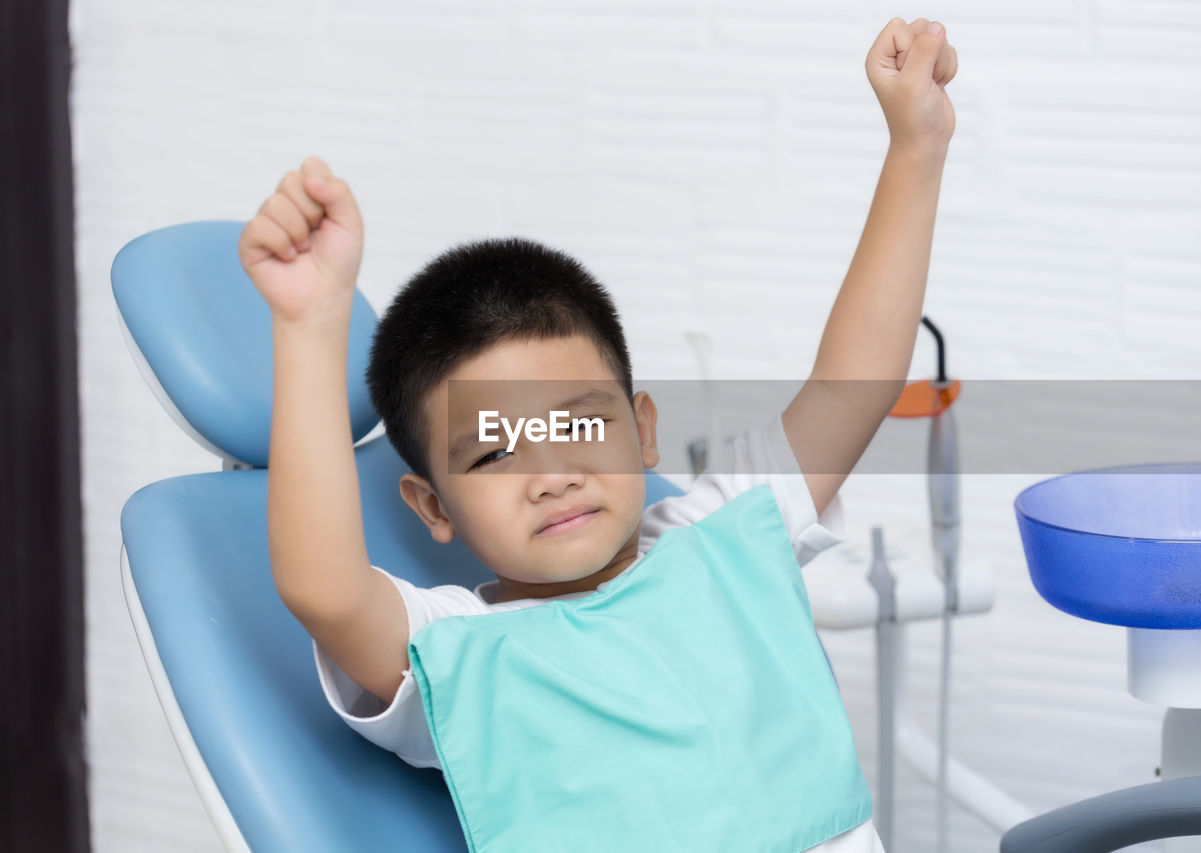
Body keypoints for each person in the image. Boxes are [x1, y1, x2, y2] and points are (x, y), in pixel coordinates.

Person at [237, 16, 956, 852]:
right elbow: (324, 588)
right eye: (498, 451)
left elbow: (851, 385)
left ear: (642, 428)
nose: (553, 473)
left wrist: (917, 147)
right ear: (432, 505)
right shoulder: (457, 652)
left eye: (578, 422)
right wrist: (311, 321)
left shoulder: (724, 537)